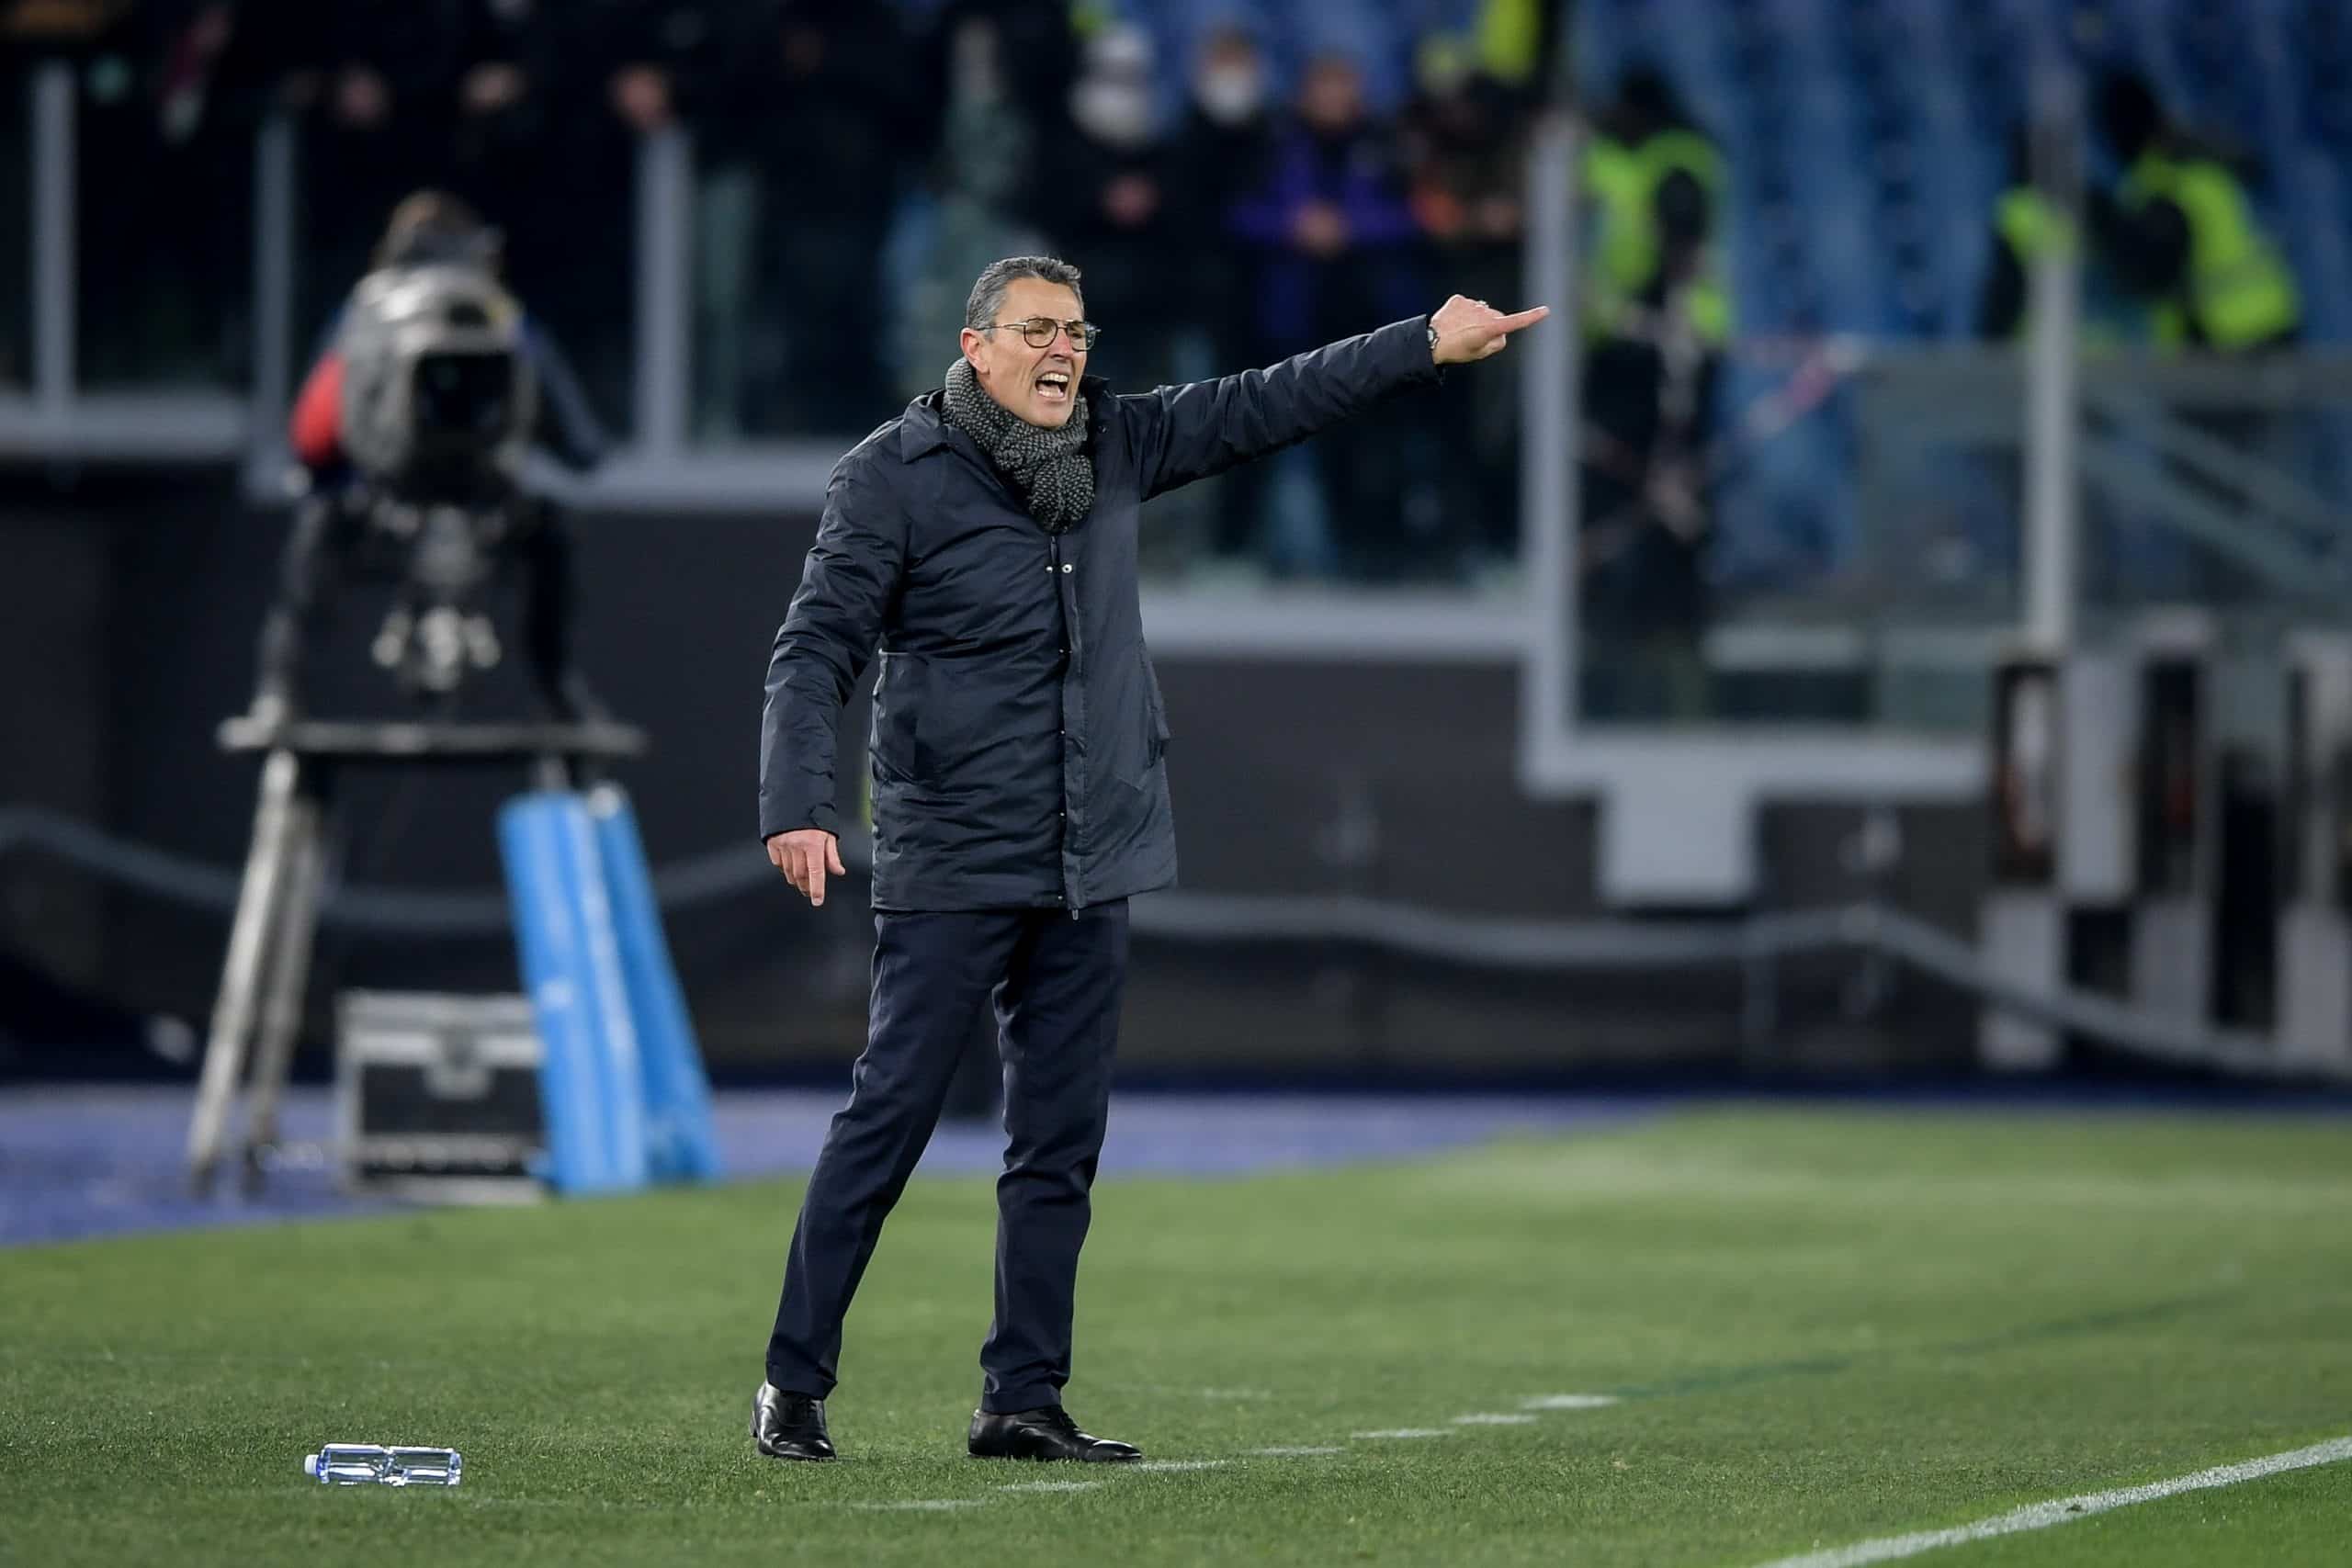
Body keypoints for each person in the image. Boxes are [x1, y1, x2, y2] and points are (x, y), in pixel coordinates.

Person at [752, 256, 1545, 1463]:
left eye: (1075, 331)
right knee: (891, 1116)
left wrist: (1420, 343)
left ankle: (1021, 1398)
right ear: (975, 347)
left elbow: (1267, 400)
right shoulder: (890, 474)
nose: (1061, 351)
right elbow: (814, 648)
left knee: (1058, 1140)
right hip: (956, 847)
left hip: (1093, 843)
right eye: (1036, 330)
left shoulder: (1114, 441)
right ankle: (792, 1381)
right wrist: (798, 803)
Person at [248, 190, 610, 726]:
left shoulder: (364, 314)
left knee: (319, 523)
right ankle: (559, 689)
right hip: (452, 496)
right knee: (550, 529)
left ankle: (278, 690)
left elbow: (311, 440)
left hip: (392, 497)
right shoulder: (505, 318)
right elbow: (581, 446)